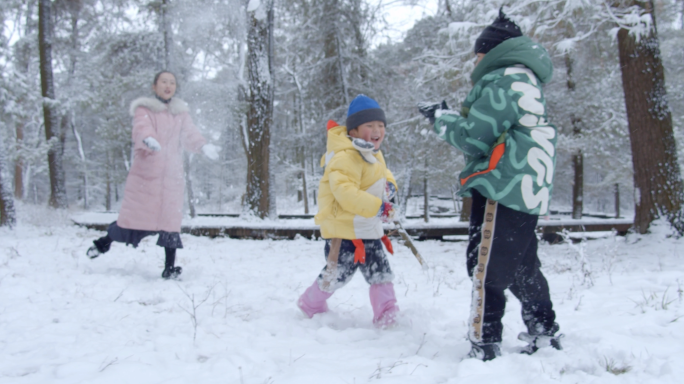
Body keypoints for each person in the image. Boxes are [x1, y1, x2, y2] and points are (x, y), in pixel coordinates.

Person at [419, 8, 562, 360]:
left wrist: (440, 118)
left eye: (479, 53)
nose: (476, 59)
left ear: (494, 52)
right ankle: (544, 331)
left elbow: (473, 139)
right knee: (521, 266)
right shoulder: (524, 81)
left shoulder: (503, 81)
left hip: (502, 183)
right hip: (527, 187)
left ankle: (485, 345)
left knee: (484, 266)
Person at [87, 70, 219, 279]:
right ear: (154, 86)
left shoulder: (180, 113)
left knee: (170, 225)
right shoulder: (144, 109)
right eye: (164, 82)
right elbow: (141, 128)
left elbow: (190, 134)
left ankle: (169, 269)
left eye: (172, 83)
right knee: (133, 222)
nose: (168, 86)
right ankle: (103, 243)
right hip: (147, 177)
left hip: (171, 177)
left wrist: (202, 146)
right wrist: (147, 139)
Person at [297, 95, 400, 328]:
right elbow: (345, 192)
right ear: (353, 131)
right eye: (370, 126)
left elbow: (383, 173)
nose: (377, 130)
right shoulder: (344, 157)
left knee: (380, 271)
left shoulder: (374, 154)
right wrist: (379, 207)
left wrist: (390, 186)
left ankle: (387, 313)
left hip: (367, 226)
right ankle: (310, 304)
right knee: (338, 274)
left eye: (381, 126)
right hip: (344, 231)